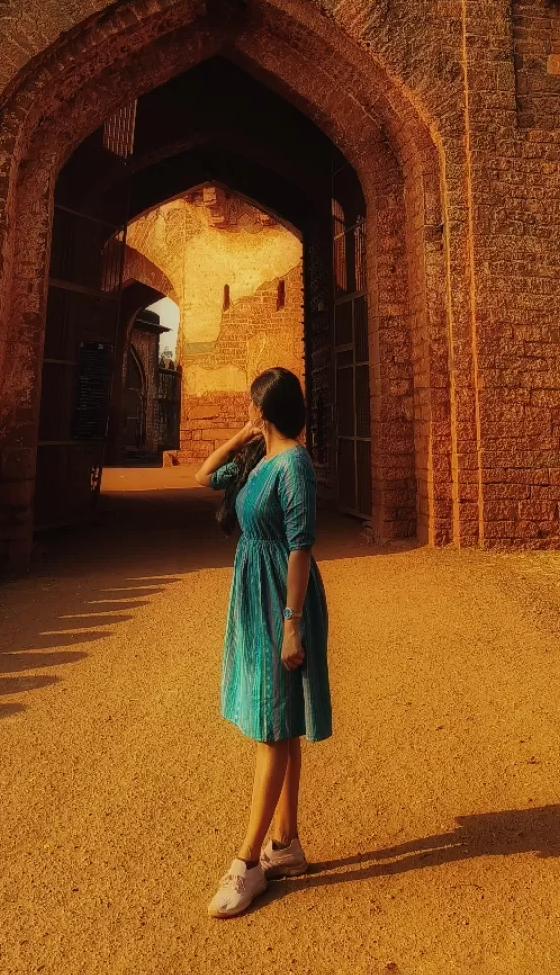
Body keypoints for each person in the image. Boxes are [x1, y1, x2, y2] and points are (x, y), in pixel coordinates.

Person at [195, 366, 332, 918]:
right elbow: (203, 477)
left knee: (272, 727)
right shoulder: (262, 460)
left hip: (283, 599)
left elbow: (300, 546)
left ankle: (248, 861)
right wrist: (244, 433)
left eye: (252, 404)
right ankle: (287, 844)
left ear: (266, 408)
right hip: (258, 593)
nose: (247, 409)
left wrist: (292, 623)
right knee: (280, 721)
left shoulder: (294, 464)